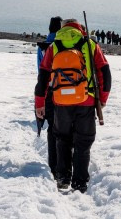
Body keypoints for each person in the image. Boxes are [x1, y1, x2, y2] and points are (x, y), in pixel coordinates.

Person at [35, 18, 111, 193]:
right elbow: (105, 73)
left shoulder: (54, 46)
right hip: (87, 101)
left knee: (62, 138)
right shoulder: (90, 44)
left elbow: (43, 76)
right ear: (79, 28)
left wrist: (40, 102)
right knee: (83, 142)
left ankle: (63, 177)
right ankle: (80, 182)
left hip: (60, 101)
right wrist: (103, 99)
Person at [36, 16, 62, 178]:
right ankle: (65, 162)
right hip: (64, 90)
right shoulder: (63, 45)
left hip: (47, 89)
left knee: (52, 127)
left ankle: (53, 165)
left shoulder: (43, 45)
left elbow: (40, 68)